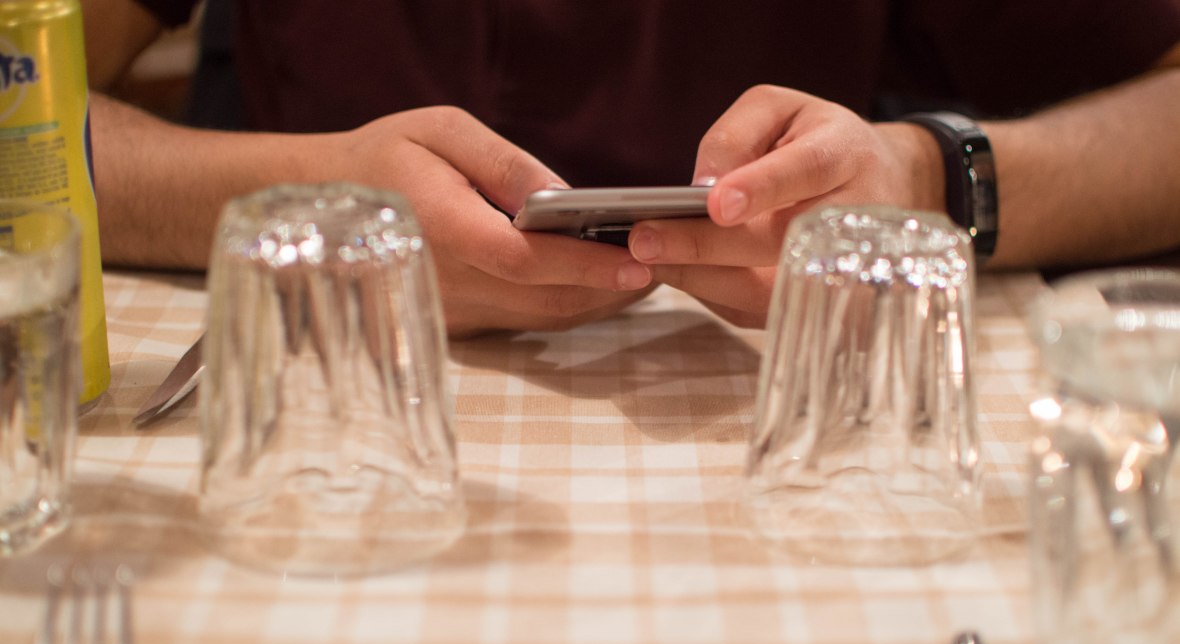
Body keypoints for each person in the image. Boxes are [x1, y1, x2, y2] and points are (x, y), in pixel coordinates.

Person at [83, 0, 1180, 335]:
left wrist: (928, 179)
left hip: (774, 414)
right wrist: (305, 206)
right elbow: (20, 117)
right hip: (341, 401)